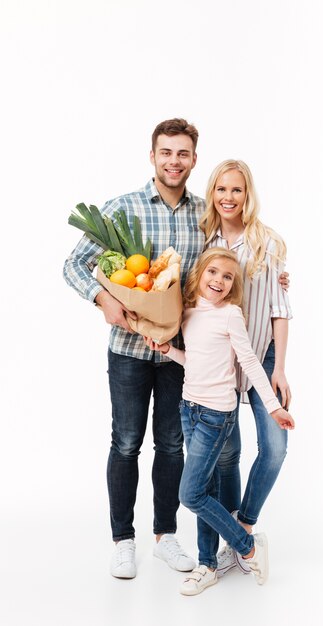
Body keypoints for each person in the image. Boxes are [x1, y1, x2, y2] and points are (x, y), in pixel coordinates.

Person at [63, 118, 206, 578]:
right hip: (127, 349)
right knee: (125, 444)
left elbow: (229, 265)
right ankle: (123, 540)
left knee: (171, 443)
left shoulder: (204, 214)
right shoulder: (121, 208)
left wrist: (275, 276)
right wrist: (103, 298)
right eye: (167, 152)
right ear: (152, 156)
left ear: (194, 160)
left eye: (183, 154)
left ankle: (165, 536)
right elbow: (73, 265)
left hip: (180, 352)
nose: (174, 161)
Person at [144, 247, 294, 595]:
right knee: (206, 488)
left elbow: (251, 364)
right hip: (189, 409)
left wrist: (273, 407)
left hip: (216, 415)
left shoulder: (230, 315)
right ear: (200, 273)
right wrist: (169, 352)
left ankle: (247, 545)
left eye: (228, 277)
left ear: (233, 285)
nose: (219, 281)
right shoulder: (189, 311)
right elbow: (194, 358)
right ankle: (207, 565)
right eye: (214, 272)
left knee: (190, 493)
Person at [199, 159, 293, 577]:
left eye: (236, 190)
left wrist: (281, 369)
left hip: (261, 359)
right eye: (221, 189)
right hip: (220, 363)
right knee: (227, 455)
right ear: (212, 193)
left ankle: (245, 524)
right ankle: (228, 547)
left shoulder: (267, 243)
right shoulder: (204, 239)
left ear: (247, 194)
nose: (228, 198)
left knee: (274, 448)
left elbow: (279, 308)